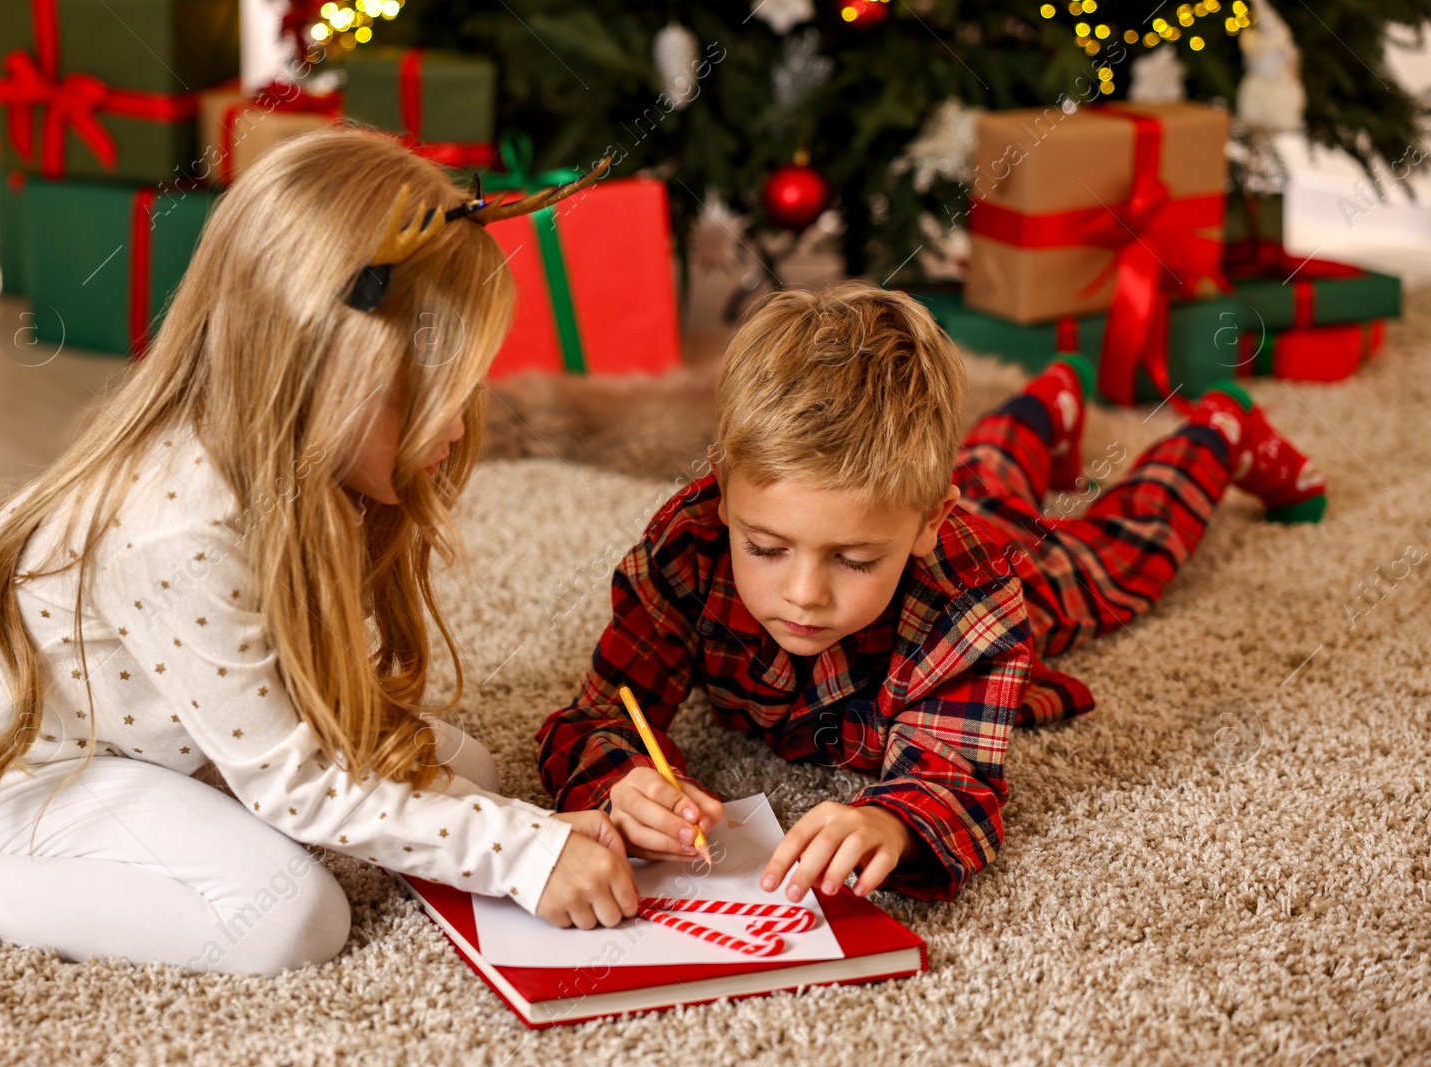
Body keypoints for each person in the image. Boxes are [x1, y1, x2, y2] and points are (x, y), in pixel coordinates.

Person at [0, 128, 638, 976]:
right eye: (430, 397)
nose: (458, 424)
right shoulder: (175, 530)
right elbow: (295, 784)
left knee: (466, 767)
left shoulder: (305, 469)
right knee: (289, 917)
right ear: (326, 380)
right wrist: (520, 854)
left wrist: (531, 834)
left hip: (164, 730)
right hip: (28, 760)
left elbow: (313, 694)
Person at [536, 280, 1325, 904]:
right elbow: (599, 714)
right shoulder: (688, 545)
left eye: (852, 560)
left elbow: (957, 781)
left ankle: (1217, 432)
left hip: (1010, 567)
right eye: (767, 546)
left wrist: (890, 818)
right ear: (723, 489)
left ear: (925, 526)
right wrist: (619, 778)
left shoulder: (975, 597)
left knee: (1110, 559)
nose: (803, 593)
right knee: (986, 476)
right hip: (931, 506)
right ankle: (1044, 407)